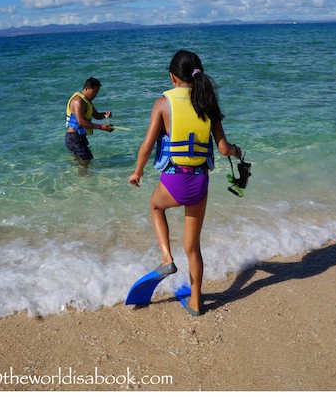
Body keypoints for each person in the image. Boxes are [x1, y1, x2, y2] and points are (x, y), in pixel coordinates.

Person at [128, 50, 242, 317]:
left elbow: (146, 146)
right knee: (193, 247)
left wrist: (137, 172)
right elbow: (223, 148)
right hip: (199, 182)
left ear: (172, 77)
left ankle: (167, 258)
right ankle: (195, 302)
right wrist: (237, 151)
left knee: (156, 207)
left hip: (173, 181)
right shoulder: (207, 101)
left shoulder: (163, 103)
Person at [65, 77, 114, 166]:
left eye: (97, 92)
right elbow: (81, 122)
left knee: (79, 160)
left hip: (79, 137)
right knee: (86, 158)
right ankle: (84, 178)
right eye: (94, 92)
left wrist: (105, 115)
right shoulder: (78, 101)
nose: (95, 95)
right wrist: (101, 127)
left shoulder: (87, 101)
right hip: (74, 137)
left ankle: (77, 177)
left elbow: (96, 115)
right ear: (86, 88)